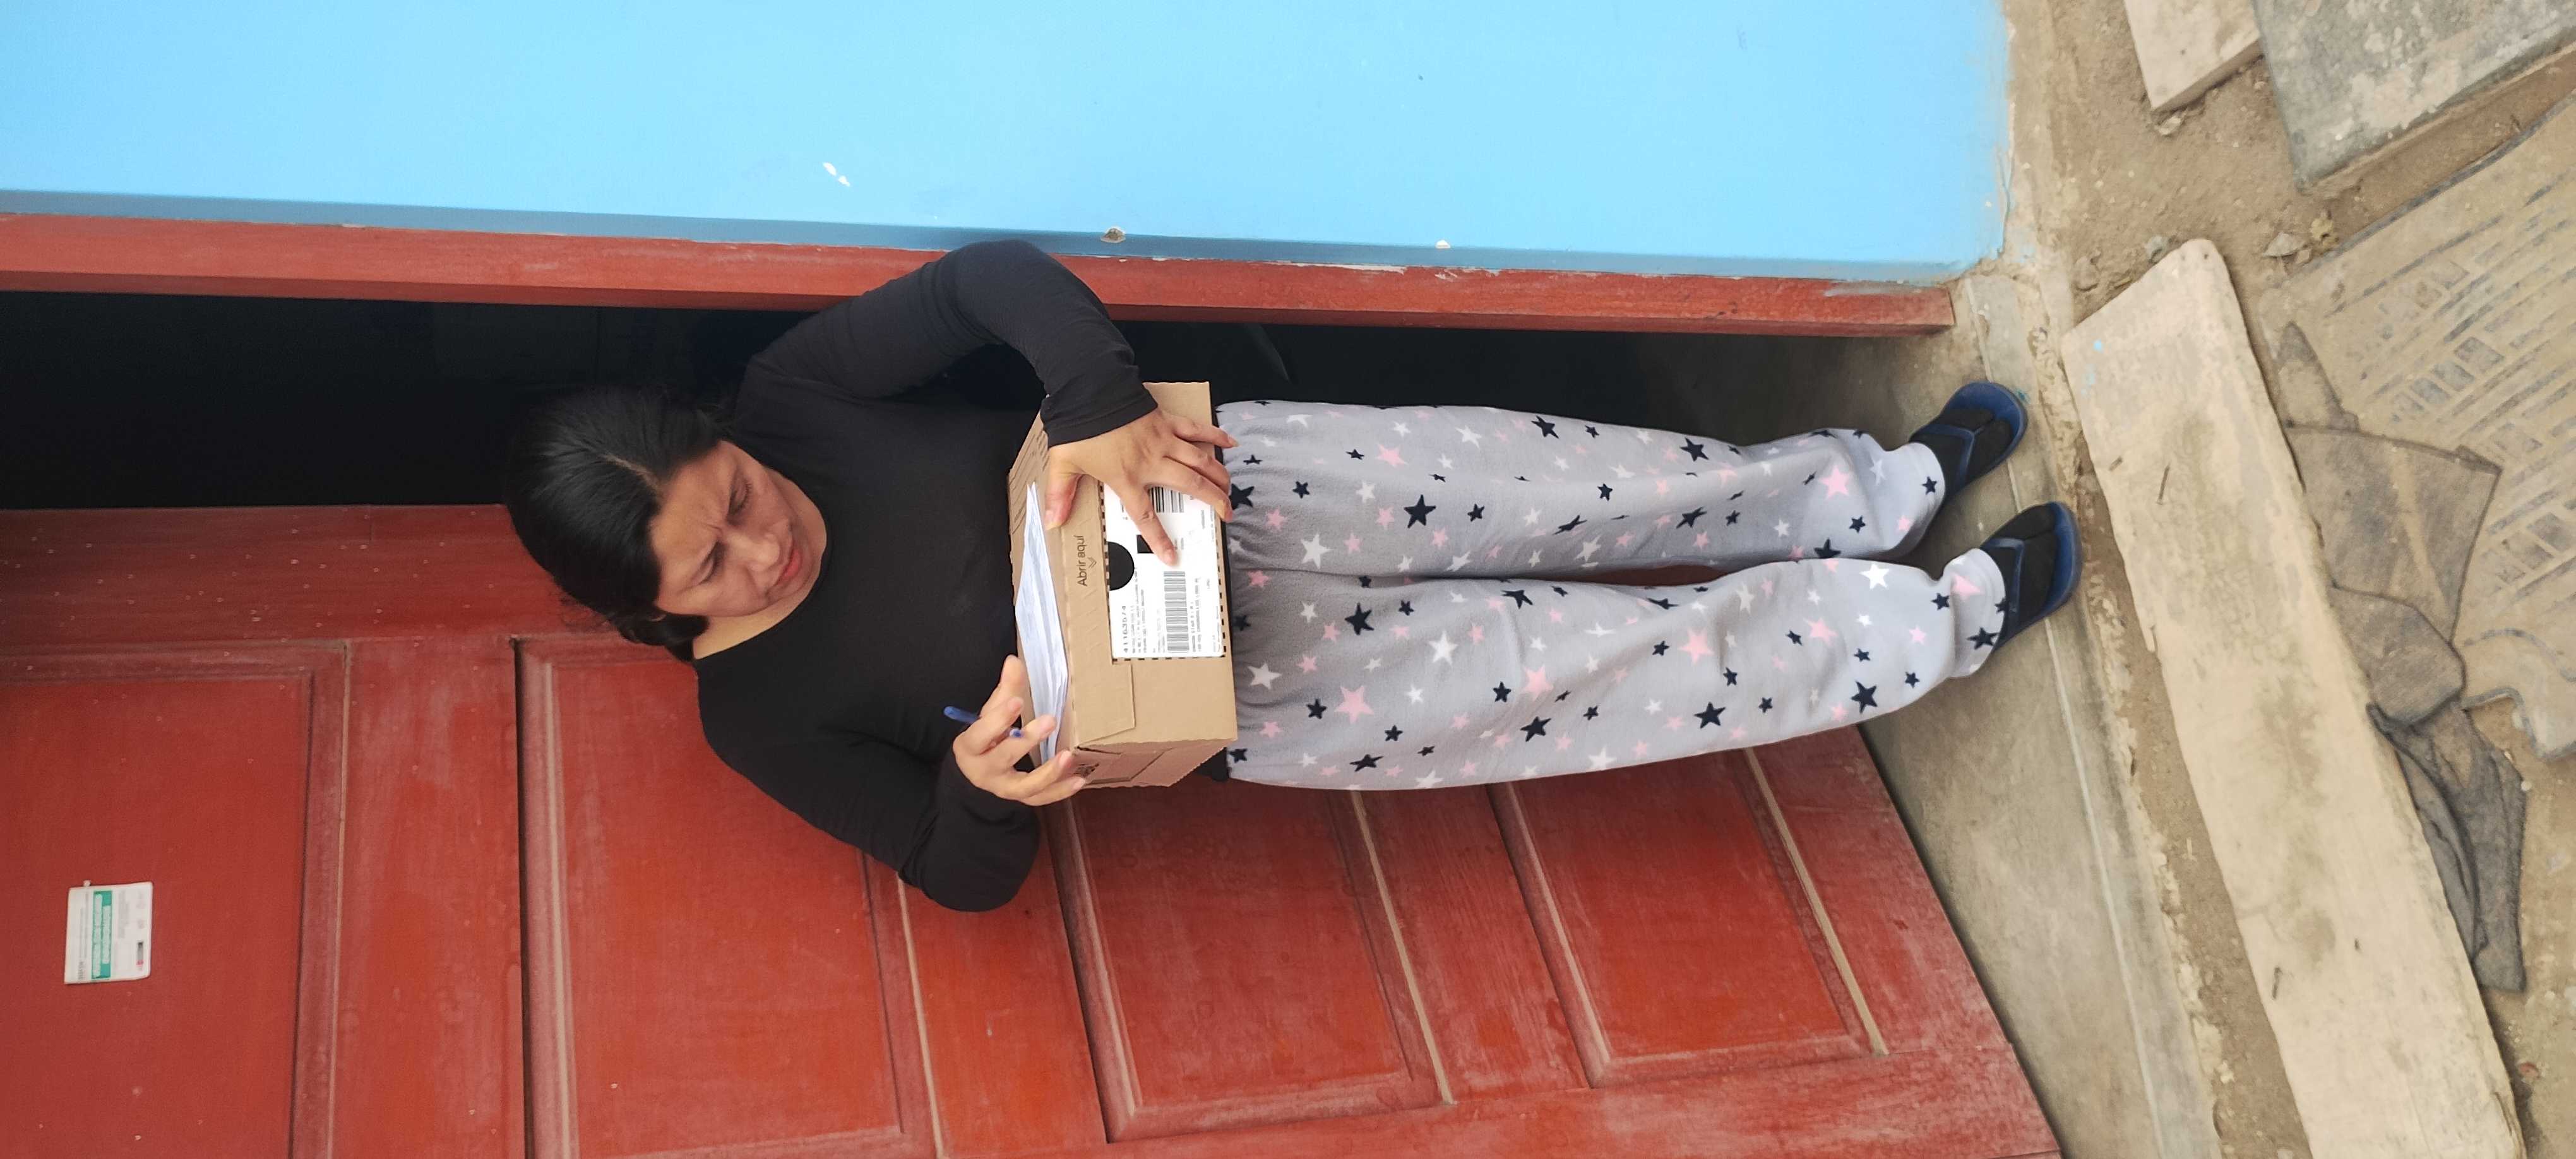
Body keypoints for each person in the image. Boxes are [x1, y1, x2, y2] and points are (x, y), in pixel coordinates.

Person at [503, 240, 2078, 912]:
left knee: (1599, 484)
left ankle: (1873, 490)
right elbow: (952, 875)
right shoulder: (758, 718)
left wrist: (1095, 403)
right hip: (1258, 699)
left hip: (1245, 483)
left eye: (738, 498)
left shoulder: (794, 396)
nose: (763, 544)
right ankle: (1935, 625)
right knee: (1618, 670)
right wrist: (981, 791)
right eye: (715, 567)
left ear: (726, 438)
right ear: (658, 614)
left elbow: (993, 282)